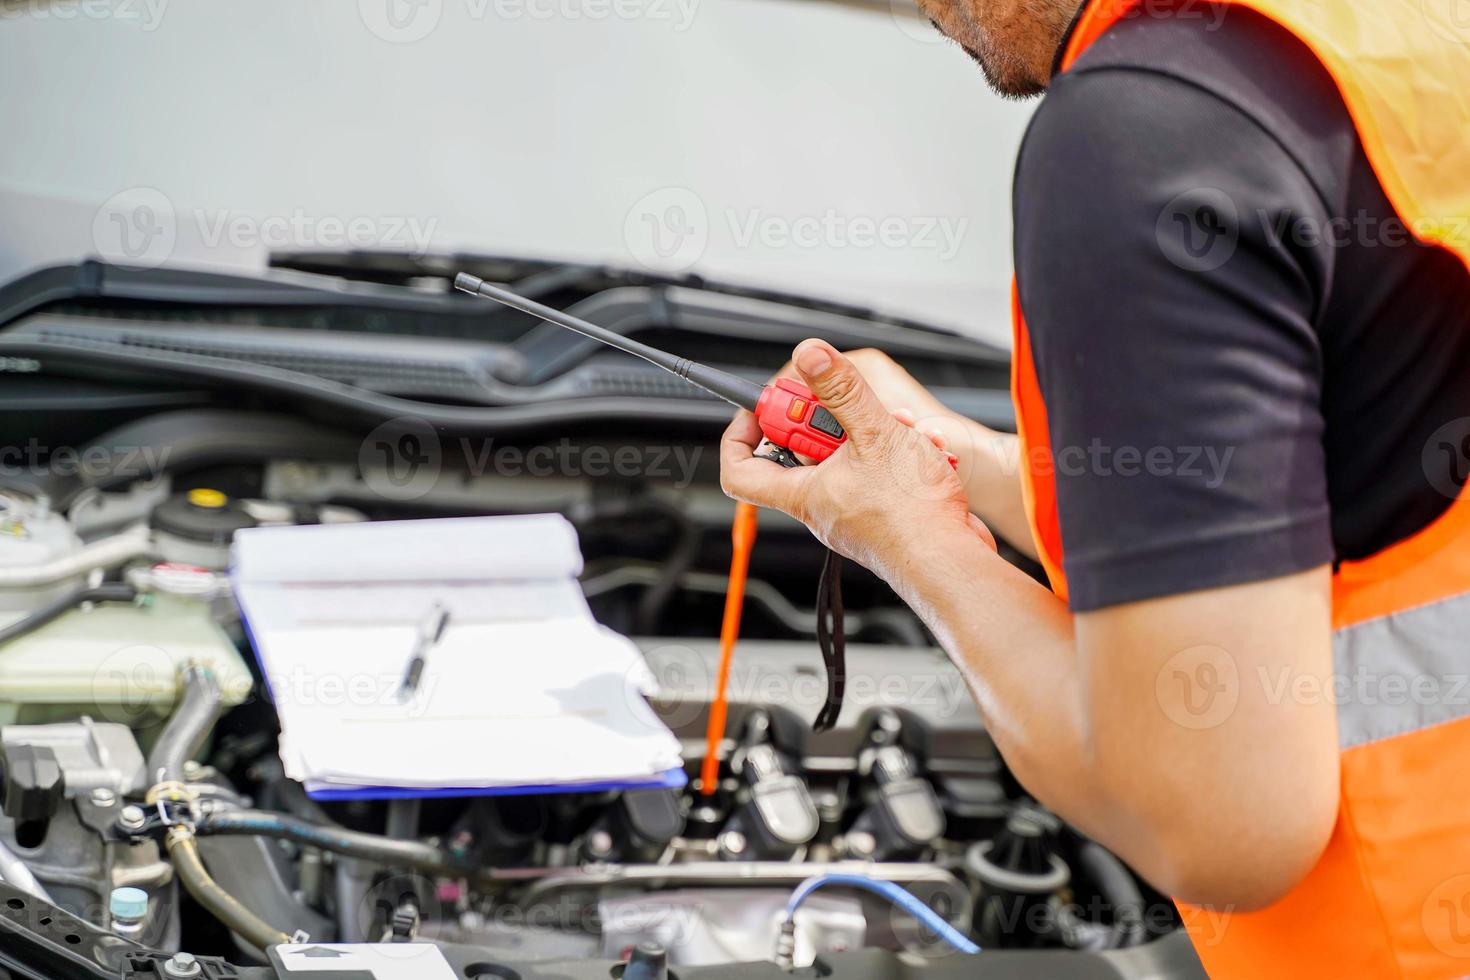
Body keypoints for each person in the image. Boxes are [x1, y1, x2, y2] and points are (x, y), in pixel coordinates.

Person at [718, 0, 1470, 974]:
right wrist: (959, 462)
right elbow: (1364, 477)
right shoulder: (1399, 39)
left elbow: (1224, 825)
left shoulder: (1145, 129)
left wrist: (909, 536)